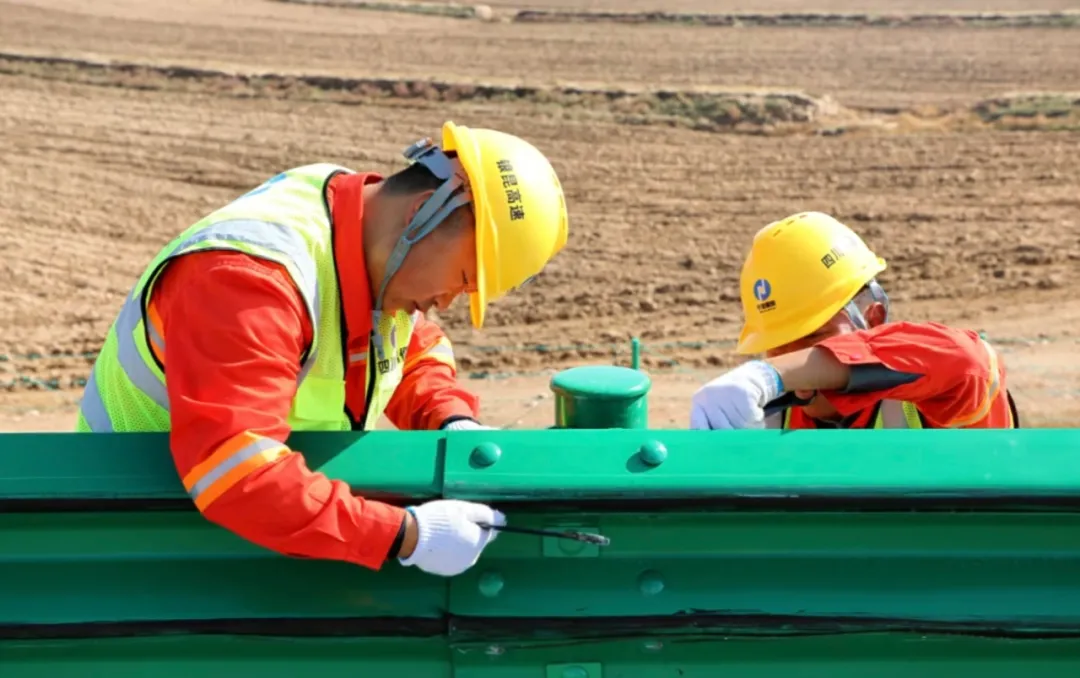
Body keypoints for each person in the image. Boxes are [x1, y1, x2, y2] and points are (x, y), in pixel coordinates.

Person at [75, 121, 570, 577]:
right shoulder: (247, 282)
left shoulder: (362, 230)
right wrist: (406, 535)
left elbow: (410, 346)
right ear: (422, 212)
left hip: (262, 521)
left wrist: (450, 418)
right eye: (462, 280)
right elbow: (238, 471)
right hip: (138, 526)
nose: (445, 303)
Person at [690, 211, 1019, 430]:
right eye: (776, 348)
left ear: (873, 318)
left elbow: (968, 361)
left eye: (811, 338)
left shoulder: (931, 397)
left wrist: (771, 375)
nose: (792, 364)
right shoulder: (770, 422)